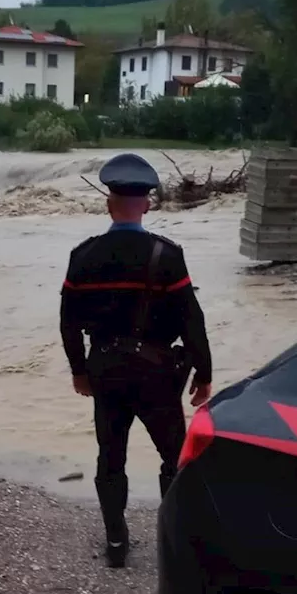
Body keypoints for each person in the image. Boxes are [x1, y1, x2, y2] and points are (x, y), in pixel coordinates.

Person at [59, 152, 213, 568]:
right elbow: (191, 319)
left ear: (109, 203)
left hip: (106, 372)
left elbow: (69, 322)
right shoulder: (167, 255)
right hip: (158, 376)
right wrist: (204, 372)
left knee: (111, 456)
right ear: (146, 204)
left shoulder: (83, 256)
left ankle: (115, 543)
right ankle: (175, 543)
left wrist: (79, 370)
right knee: (173, 457)